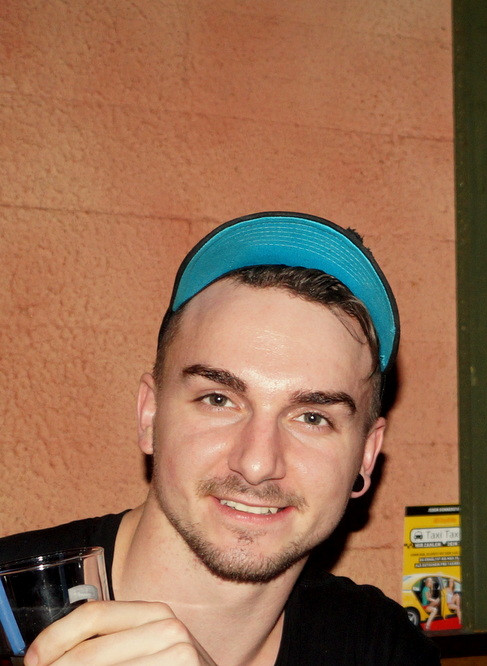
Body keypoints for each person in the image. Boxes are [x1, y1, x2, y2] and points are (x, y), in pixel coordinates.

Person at [0, 212, 439, 664]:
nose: (257, 463)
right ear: (150, 414)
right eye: (219, 399)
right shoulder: (5, 609)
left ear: (366, 455)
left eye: (311, 417)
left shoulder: (383, 649)